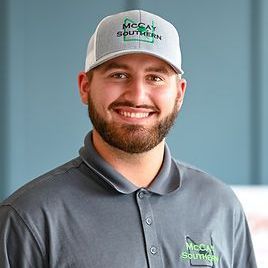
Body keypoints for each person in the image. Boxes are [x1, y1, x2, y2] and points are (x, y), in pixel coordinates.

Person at [0, 10, 257, 268]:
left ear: (179, 94)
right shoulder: (27, 218)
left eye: (155, 78)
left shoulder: (221, 207)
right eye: (119, 75)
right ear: (85, 87)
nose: (137, 96)